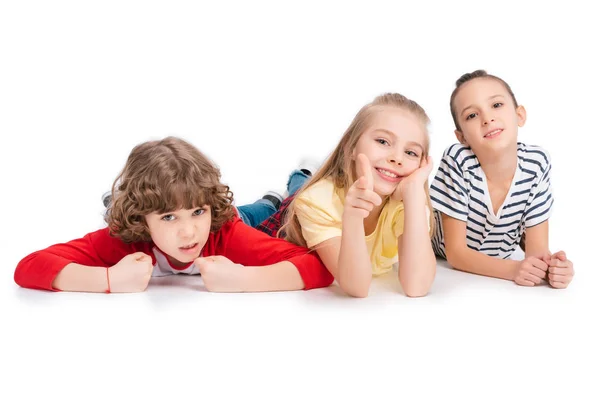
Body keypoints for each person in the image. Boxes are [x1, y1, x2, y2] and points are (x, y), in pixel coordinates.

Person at [14, 136, 334, 293]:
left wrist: (246, 279)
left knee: (274, 213)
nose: (189, 233)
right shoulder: (124, 241)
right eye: (168, 217)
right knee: (254, 211)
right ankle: (121, 202)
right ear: (142, 221)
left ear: (208, 205)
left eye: (197, 211)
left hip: (230, 221)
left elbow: (318, 266)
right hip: (206, 215)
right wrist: (107, 279)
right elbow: (28, 267)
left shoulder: (226, 235)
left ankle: (299, 177)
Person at [278, 93, 437, 298]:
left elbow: (417, 287)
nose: (397, 158)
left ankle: (305, 171)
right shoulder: (315, 201)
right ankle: (298, 176)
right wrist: (352, 217)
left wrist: (416, 194)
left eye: (411, 153)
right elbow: (356, 287)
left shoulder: (410, 203)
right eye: (383, 141)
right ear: (351, 147)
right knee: (285, 197)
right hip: (285, 215)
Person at [429, 70, 574, 288]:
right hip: (440, 253)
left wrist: (552, 269)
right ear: (462, 137)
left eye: (496, 105)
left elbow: (536, 254)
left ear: (520, 115)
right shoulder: (458, 160)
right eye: (472, 115)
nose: (487, 119)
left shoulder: (536, 164)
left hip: (498, 254)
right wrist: (514, 269)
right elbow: (456, 254)